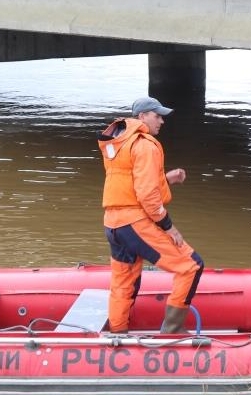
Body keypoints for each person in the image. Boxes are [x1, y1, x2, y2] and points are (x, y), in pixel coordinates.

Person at [97, 96, 204, 334]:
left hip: (113, 224)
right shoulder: (145, 145)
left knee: (123, 282)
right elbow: (147, 196)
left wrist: (166, 179)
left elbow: (130, 186)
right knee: (191, 266)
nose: (162, 121)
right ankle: (172, 330)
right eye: (157, 116)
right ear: (142, 116)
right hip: (134, 222)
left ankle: (117, 334)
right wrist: (168, 227)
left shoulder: (119, 143)